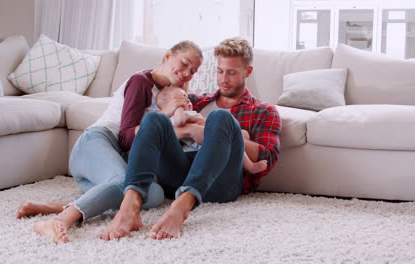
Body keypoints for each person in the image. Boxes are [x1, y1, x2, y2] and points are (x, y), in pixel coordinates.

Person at [15, 40, 203, 244]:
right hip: (96, 142)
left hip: (117, 159)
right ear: (168, 56)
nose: (187, 73)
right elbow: (126, 138)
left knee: (155, 194)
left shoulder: (171, 92)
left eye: (193, 71)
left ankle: (56, 206)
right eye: (184, 64)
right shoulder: (141, 81)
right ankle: (59, 220)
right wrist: (172, 120)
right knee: (125, 184)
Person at [99, 37, 281, 241]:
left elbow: (268, 157)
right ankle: (129, 207)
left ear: (248, 72)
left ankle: (181, 207)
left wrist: (220, 135)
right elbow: (157, 129)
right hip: (178, 175)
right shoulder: (196, 101)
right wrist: (191, 130)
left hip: (221, 183)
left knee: (220, 117)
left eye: (232, 72)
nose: (223, 79)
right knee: (155, 118)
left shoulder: (265, 111)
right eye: (220, 71)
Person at [155, 86, 268, 174]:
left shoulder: (192, 112)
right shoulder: (175, 116)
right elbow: (179, 122)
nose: (187, 100)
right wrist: (178, 108)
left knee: (242, 134)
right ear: (171, 104)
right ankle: (250, 166)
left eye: (187, 98)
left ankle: (238, 140)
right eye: (181, 98)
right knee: (232, 139)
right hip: (196, 150)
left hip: (208, 140)